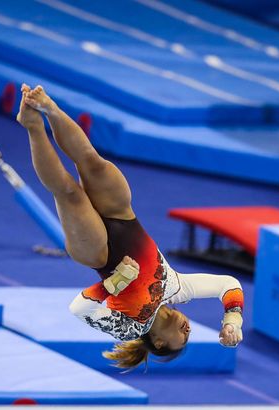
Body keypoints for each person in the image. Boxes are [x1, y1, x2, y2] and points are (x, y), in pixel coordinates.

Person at [17, 84, 244, 370]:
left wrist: (114, 283)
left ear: (160, 343)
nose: (187, 332)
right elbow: (229, 284)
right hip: (123, 217)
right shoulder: (177, 289)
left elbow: (80, 308)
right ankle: (49, 107)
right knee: (92, 162)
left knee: (69, 193)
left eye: (182, 340)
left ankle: (32, 126)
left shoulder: (130, 329)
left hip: (98, 253)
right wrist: (232, 320)